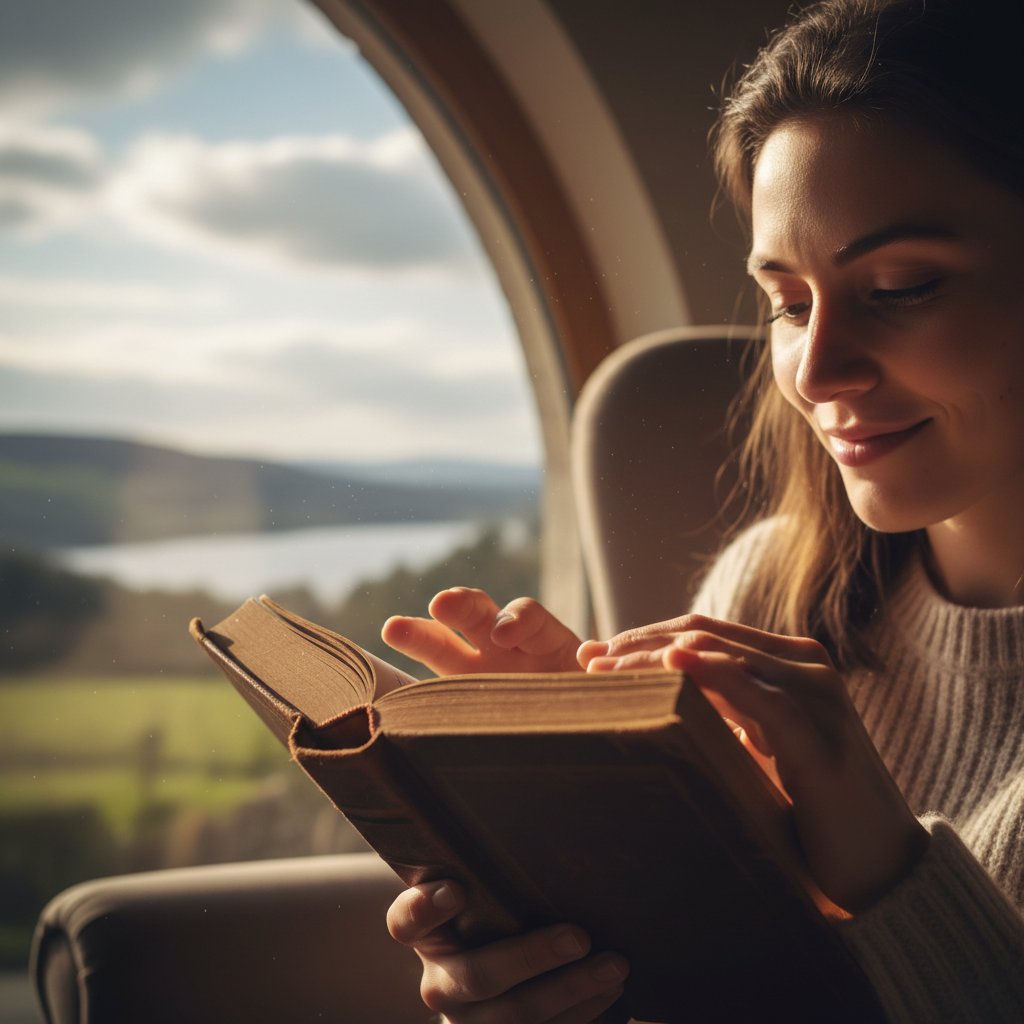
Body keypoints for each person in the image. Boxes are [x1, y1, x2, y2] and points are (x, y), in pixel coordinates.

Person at [380, 0, 1024, 1020]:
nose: (816, 373)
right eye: (788, 301)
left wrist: (884, 863)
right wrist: (563, 909)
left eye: (900, 286)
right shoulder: (773, 588)